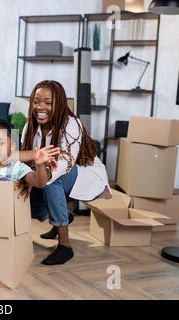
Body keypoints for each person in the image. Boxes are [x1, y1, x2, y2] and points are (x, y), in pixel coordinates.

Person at [20, 80, 111, 266]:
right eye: (36, 101)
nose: (40, 107)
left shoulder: (71, 125)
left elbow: (62, 166)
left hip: (83, 174)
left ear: (59, 103)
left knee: (52, 180)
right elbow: (26, 159)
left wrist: (36, 175)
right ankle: (61, 219)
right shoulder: (30, 126)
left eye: (48, 102)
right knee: (34, 184)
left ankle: (65, 245)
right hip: (49, 173)